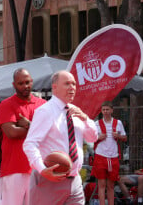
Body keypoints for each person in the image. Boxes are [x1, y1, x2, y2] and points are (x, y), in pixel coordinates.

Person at [23, 70, 98, 205]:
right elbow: (29, 144)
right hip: (49, 181)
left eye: (74, 84)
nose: (72, 87)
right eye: (67, 84)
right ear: (55, 87)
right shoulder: (45, 111)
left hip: (74, 180)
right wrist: (42, 169)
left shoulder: (76, 111)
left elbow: (92, 138)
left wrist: (86, 119)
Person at [0, 68, 46, 205]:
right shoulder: (6, 104)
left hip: (38, 167)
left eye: (27, 82)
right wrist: (38, 128)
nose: (25, 86)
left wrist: (29, 125)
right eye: (21, 83)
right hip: (14, 168)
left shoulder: (43, 105)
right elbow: (11, 133)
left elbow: (48, 132)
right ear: (14, 85)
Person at [91, 101, 127, 205]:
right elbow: (90, 139)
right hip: (100, 156)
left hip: (113, 156)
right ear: (101, 111)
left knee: (111, 185)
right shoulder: (96, 124)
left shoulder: (118, 123)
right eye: (103, 110)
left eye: (107, 109)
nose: (105, 112)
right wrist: (98, 138)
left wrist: (118, 136)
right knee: (101, 185)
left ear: (112, 110)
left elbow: (125, 138)